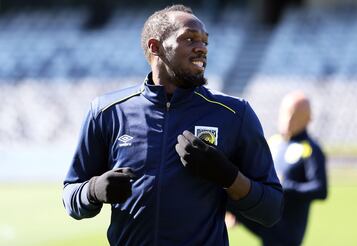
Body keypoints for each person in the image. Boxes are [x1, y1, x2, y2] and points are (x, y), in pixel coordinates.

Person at [62, 4, 283, 246]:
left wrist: (228, 176)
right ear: (155, 47)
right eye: (189, 39)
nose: (201, 48)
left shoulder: (235, 114)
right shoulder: (107, 112)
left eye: (205, 41)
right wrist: (93, 190)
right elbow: (70, 196)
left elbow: (272, 210)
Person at [227, 91, 328, 246]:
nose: (287, 119)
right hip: (265, 213)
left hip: (287, 230)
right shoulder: (274, 143)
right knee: (223, 187)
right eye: (285, 113)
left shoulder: (310, 149)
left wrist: (286, 186)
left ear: (307, 119)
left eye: (294, 115)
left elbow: (320, 189)